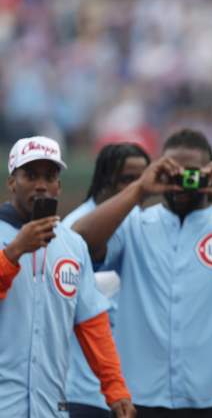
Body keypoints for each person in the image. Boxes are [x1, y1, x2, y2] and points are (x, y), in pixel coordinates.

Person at [72, 128, 212, 417]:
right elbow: (78, 243)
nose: (182, 181)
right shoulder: (135, 225)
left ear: (209, 174)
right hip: (141, 395)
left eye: (192, 173)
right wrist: (140, 189)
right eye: (172, 172)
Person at [0, 136, 135, 417]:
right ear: (12, 182)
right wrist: (14, 252)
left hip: (50, 406)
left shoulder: (72, 245)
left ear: (58, 186)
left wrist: (115, 389)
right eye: (30, 175)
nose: (41, 185)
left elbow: (92, 323)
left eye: (49, 177)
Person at [64, 143, 150, 418]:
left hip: (120, 388)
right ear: (105, 179)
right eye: (128, 179)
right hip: (81, 387)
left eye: (143, 179)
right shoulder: (77, 226)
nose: (137, 187)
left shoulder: (137, 219)